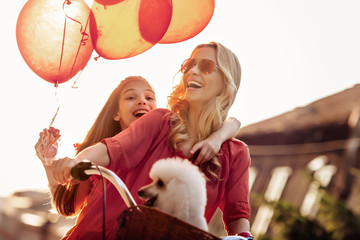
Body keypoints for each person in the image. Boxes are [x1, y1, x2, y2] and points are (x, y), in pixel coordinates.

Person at [50, 42, 252, 239]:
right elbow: (111, 149)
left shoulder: (236, 153)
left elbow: (238, 216)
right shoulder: (159, 122)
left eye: (206, 66)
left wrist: (243, 237)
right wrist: (76, 162)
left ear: (226, 81)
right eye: (189, 65)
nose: (193, 72)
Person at [36, 76, 241, 217]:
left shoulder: (165, 144)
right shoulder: (97, 154)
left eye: (149, 97)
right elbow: (68, 207)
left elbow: (232, 122)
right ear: (116, 113)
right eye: (131, 97)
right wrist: (50, 164)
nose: (142, 101)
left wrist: (220, 135)